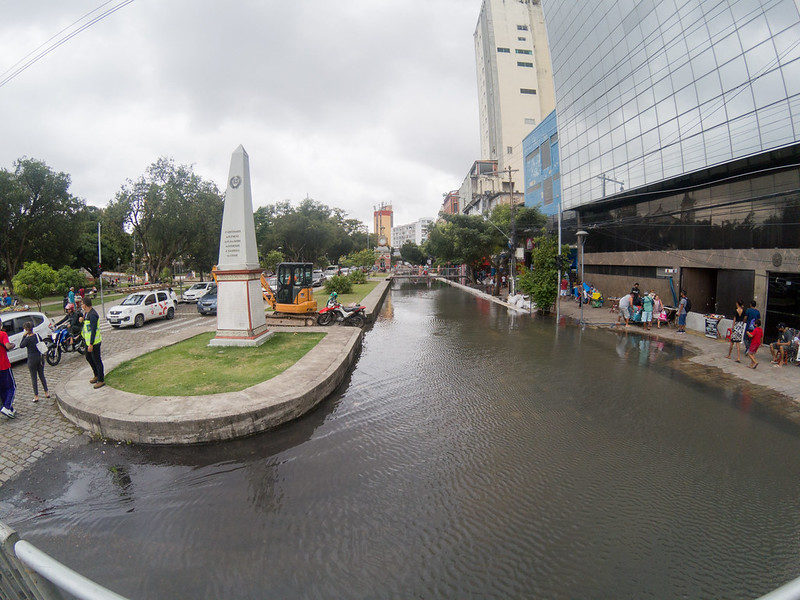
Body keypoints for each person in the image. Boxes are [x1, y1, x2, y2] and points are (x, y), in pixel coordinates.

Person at [20, 321, 49, 403]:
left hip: (32, 359)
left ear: (26, 329)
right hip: (39, 357)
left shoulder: (27, 339)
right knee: (42, 375)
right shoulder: (37, 335)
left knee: (34, 378)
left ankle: (36, 396)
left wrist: (24, 336)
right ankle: (46, 392)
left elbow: (21, 345)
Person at [82, 297, 105, 388]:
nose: (81, 305)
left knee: (97, 360)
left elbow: (93, 330)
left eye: (82, 304)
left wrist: (91, 343)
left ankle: (101, 379)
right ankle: (96, 375)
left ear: (85, 305)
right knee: (89, 358)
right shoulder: (87, 314)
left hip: (94, 342)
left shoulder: (93, 315)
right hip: (88, 342)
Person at [0, 325, 15, 418]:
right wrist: (13, 344)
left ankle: (9, 409)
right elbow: (8, 346)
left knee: (2, 389)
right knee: (11, 387)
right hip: (4, 365)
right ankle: (7, 407)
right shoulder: (3, 334)